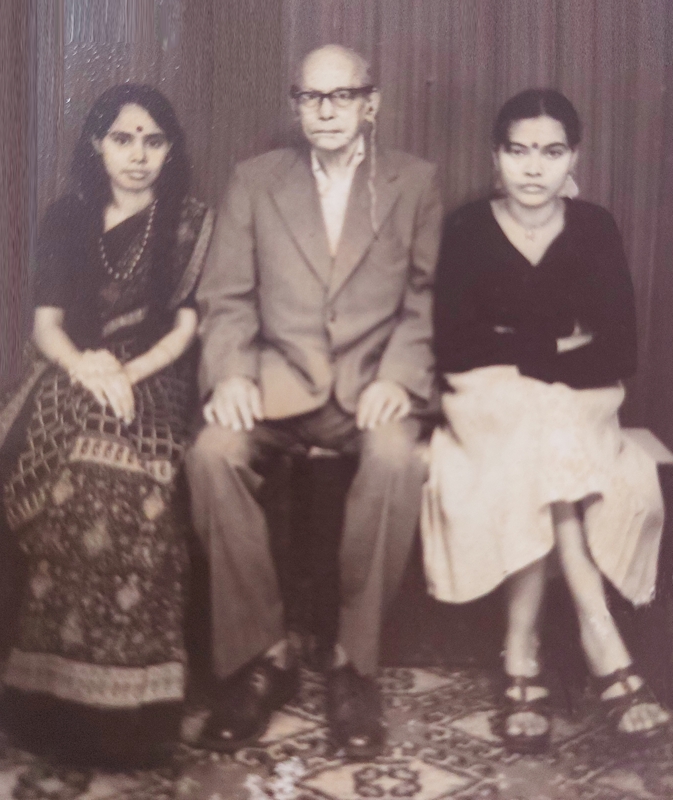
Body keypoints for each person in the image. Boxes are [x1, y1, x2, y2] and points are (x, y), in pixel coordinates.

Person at [185, 44, 441, 759]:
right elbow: (226, 298)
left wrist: (397, 376)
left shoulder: (414, 183)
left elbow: (421, 302)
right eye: (310, 97)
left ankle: (350, 666)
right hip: (273, 384)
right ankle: (263, 656)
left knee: (398, 459)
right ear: (295, 104)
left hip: (368, 389)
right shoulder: (255, 181)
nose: (325, 111)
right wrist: (230, 374)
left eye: (341, 95)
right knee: (210, 457)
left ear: (372, 103)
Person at [423, 88, 670, 754]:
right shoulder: (468, 228)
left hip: (575, 404)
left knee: (545, 426)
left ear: (572, 159)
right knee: (534, 420)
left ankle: (520, 651)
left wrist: (508, 337)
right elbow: (452, 347)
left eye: (551, 152)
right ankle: (602, 639)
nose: (533, 168)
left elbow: (621, 352)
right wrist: (554, 343)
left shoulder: (595, 228)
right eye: (517, 151)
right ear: (495, 156)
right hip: (485, 400)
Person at [0, 84, 213, 767]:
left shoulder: (187, 219)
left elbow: (186, 329)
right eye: (123, 139)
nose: (138, 155)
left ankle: (132, 723)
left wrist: (129, 372)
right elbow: (47, 329)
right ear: (97, 144)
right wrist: (90, 369)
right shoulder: (69, 217)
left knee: (129, 485)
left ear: (170, 148)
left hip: (158, 377)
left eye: (153, 140)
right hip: (72, 369)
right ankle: (48, 708)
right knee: (61, 469)